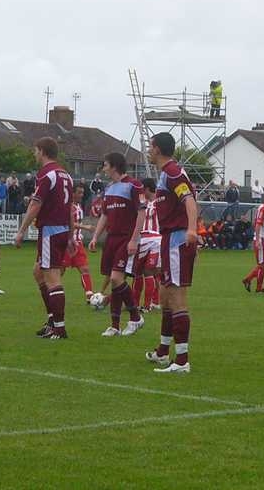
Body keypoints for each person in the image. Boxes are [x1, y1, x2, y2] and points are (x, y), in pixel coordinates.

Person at [144, 132, 197, 374]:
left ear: (157, 149)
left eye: (150, 145)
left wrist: (192, 230)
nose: (148, 149)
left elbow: (189, 201)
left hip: (177, 239)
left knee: (176, 298)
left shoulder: (173, 172)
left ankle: (182, 360)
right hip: (169, 239)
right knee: (165, 295)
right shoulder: (167, 173)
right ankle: (164, 352)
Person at [14, 137, 74, 340]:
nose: (34, 154)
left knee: (51, 277)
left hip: (51, 230)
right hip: (62, 229)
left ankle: (60, 327)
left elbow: (35, 204)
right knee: (38, 272)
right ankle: (52, 320)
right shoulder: (66, 175)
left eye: (35, 150)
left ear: (42, 151)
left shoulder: (46, 175)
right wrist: (72, 236)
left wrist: (21, 230)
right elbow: (70, 210)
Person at [88, 152, 145, 337]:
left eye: (105, 165)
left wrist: (134, 239)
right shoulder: (110, 188)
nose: (103, 168)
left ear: (113, 166)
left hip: (126, 237)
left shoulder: (134, 185)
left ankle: (136, 317)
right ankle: (114, 325)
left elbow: (141, 212)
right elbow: (104, 215)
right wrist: (96, 237)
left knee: (115, 278)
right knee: (115, 282)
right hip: (111, 238)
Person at [62, 183, 95, 303]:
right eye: (79, 192)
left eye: (82, 192)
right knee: (59, 271)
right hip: (67, 244)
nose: (81, 195)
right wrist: (85, 227)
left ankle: (89, 295)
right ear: (73, 193)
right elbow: (68, 222)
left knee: (85, 269)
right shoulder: (68, 206)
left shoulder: (79, 206)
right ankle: (52, 291)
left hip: (78, 243)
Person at [132, 178, 161, 311]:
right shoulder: (159, 202)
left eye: (143, 189)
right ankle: (148, 304)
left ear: (148, 188)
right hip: (156, 240)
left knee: (141, 272)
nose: (141, 192)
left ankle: (138, 304)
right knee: (151, 272)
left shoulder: (148, 202)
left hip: (146, 238)